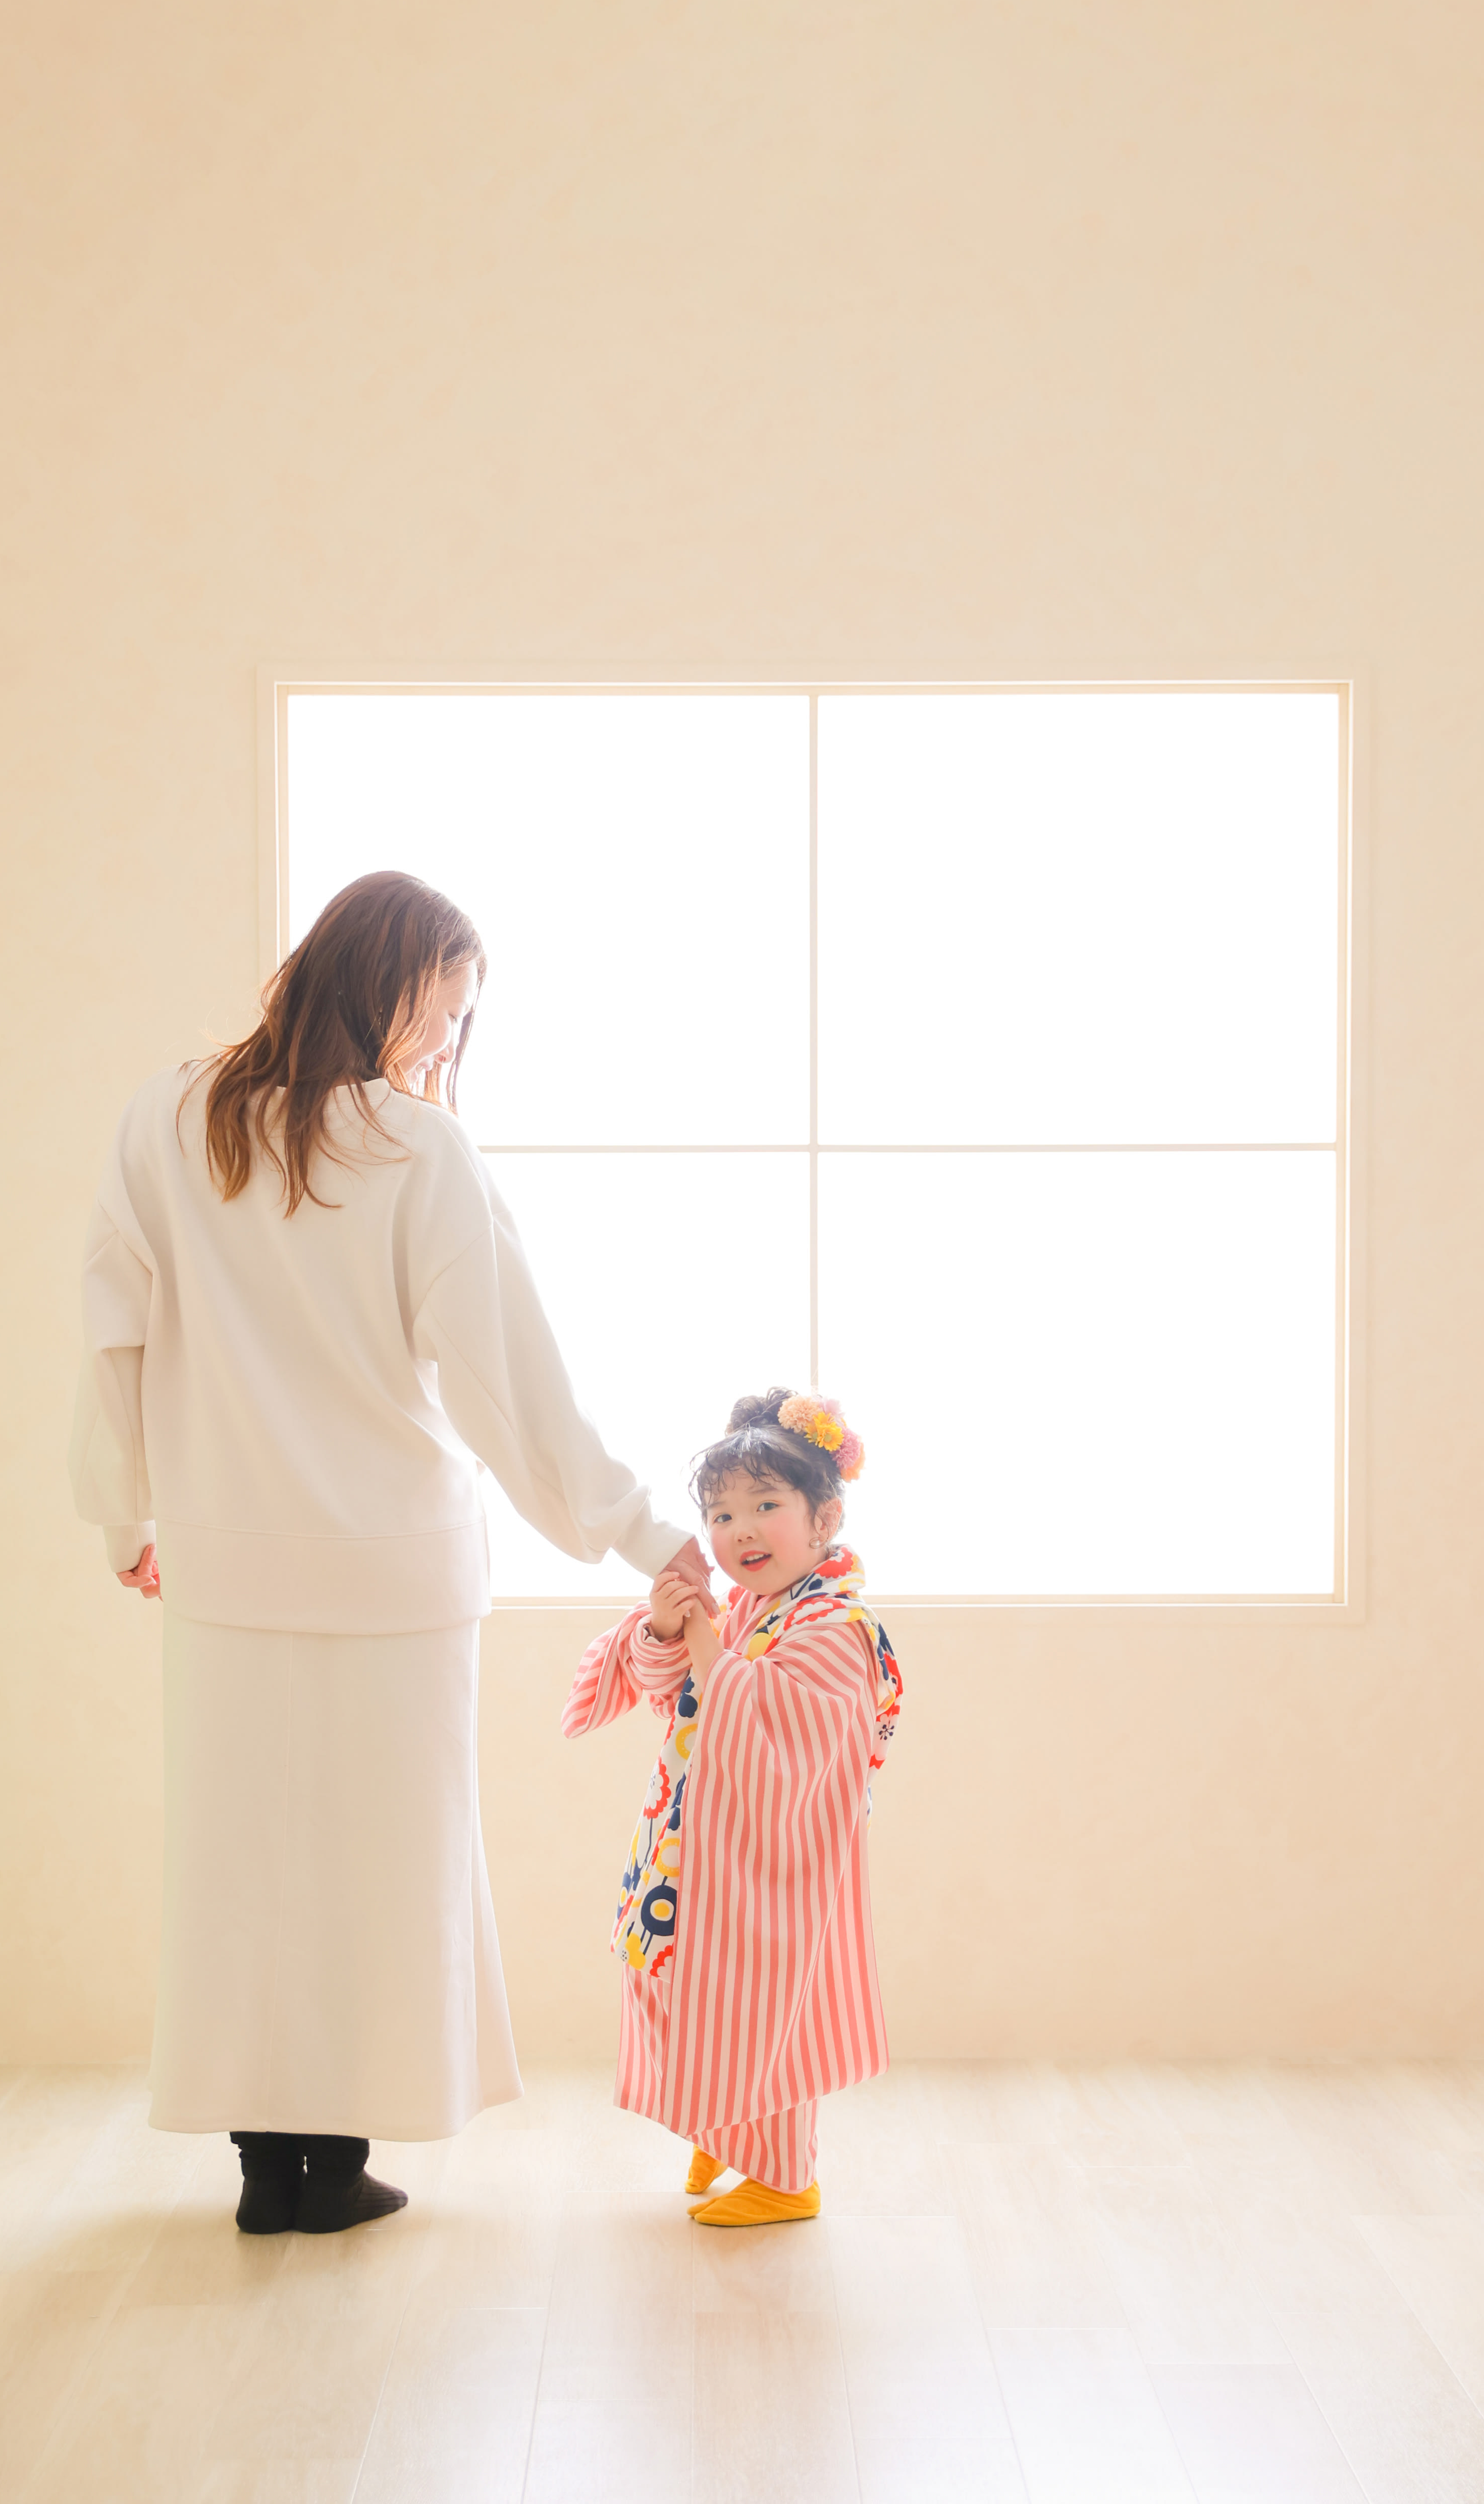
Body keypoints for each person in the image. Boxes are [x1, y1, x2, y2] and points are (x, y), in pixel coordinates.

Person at [70, 870, 711, 2236]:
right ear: (393, 985)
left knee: (242, 1868)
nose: (446, 1042)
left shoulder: (167, 1119)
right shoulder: (421, 1151)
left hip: (229, 1568)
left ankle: (265, 2169)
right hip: (398, 1574)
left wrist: (126, 1515)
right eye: (447, 1010)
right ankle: (334, 2165)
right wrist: (643, 1533)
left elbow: (113, 1329)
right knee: (379, 1871)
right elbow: (511, 1387)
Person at [562, 1390, 903, 2225]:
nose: (740, 1530)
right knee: (674, 1982)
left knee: (763, 2008)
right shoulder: (751, 1607)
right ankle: (723, 2124)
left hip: (771, 1865)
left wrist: (703, 1638)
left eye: (766, 1506)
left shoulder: (835, 1624)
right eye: (720, 1514)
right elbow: (665, 1687)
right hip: (695, 1847)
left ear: (825, 1519)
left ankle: (785, 2177)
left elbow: (773, 1728)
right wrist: (663, 1628)